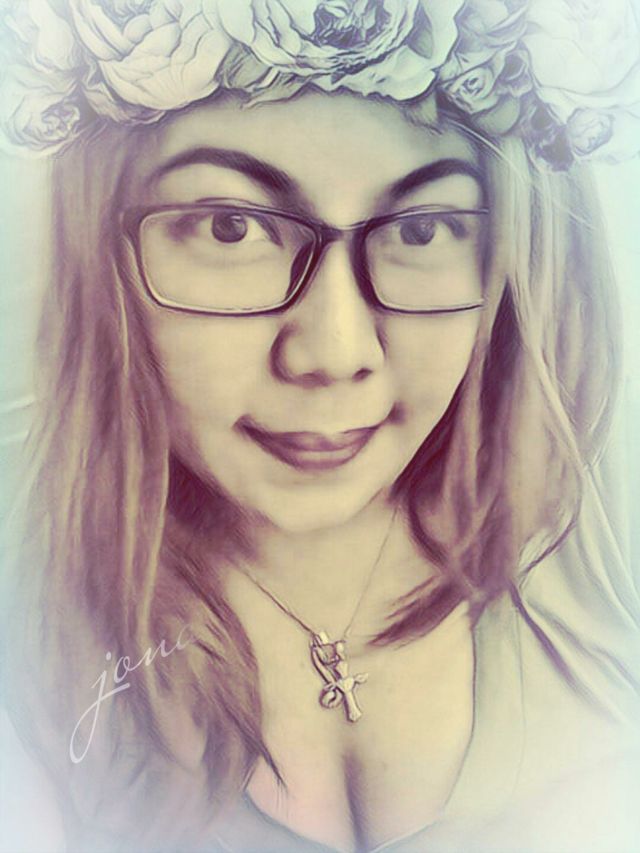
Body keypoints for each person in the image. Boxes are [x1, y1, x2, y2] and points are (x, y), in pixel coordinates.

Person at [1, 2, 639, 852]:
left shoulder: (599, 570)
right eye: (231, 226)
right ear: (100, 252)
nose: (334, 354)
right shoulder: (29, 644)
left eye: (422, 228)